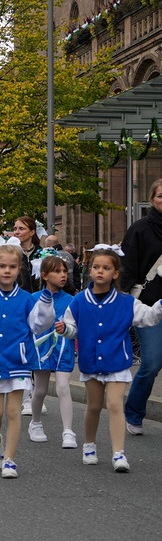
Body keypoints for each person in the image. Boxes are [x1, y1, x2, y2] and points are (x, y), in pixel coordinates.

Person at [53, 246, 162, 472]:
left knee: (114, 405)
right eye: (95, 267)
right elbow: (73, 328)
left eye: (106, 268)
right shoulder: (80, 301)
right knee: (93, 406)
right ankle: (89, 445)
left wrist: (160, 305)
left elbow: (148, 317)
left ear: (115, 273)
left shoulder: (127, 302)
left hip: (116, 363)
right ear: (90, 271)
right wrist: (65, 329)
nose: (100, 271)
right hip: (91, 362)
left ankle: (118, 453)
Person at [0, 245, 53, 478]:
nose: (7, 271)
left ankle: (10, 459)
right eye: (2, 266)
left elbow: (39, 325)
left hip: (19, 362)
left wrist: (45, 304)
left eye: (12, 267)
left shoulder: (27, 299)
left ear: (19, 270)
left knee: (14, 412)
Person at [122, 178, 162, 435]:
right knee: (151, 363)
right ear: (152, 199)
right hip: (149, 308)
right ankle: (134, 413)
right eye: (161, 195)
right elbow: (127, 268)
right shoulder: (140, 229)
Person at [28, 255, 77, 448]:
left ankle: (68, 431)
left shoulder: (72, 300)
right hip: (42, 349)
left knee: (63, 387)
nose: (62, 275)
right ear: (45, 275)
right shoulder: (33, 299)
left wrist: (67, 329)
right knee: (40, 390)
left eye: (64, 271)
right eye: (57, 272)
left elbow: (76, 328)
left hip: (64, 348)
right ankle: (35, 423)